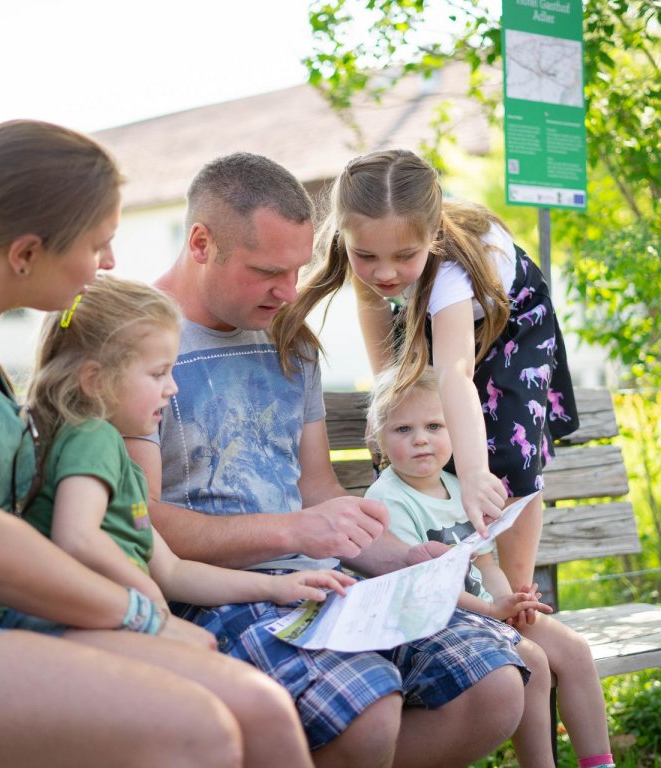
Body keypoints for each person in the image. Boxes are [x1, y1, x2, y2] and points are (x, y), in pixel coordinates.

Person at [0, 120, 316, 768]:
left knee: (260, 709)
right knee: (194, 729)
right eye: (99, 243)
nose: (110, 264)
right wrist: (141, 613)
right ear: (26, 253)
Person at [127, 151, 531, 768]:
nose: (289, 294)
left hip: (324, 583)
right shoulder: (138, 346)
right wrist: (290, 531)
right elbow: (142, 525)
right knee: (368, 714)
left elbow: (318, 492)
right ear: (202, 244)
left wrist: (399, 558)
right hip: (214, 592)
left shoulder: (290, 340)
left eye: (296, 271)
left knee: (495, 689)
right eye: (267, 272)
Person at [273, 148, 580, 617]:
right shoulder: (372, 253)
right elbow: (373, 308)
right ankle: (430, 577)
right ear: (345, 235)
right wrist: (391, 394)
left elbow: (456, 374)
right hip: (431, 317)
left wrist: (477, 474)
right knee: (412, 425)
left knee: (511, 450)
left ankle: (516, 600)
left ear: (432, 236)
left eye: (403, 256)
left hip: (512, 318)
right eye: (366, 256)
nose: (384, 272)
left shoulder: (451, 268)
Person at [23, 272, 354, 668]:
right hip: (84, 629)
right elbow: (77, 537)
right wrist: (152, 610)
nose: (173, 387)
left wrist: (277, 586)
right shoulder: (90, 439)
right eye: (158, 373)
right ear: (95, 380)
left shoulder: (113, 454)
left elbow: (174, 572)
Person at [365, 365, 615, 768]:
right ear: (378, 438)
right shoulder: (387, 500)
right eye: (402, 430)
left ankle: (600, 763)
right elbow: (422, 587)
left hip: (486, 611)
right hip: (438, 623)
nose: (421, 440)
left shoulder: (461, 486)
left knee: (574, 650)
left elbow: (483, 559)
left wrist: (507, 601)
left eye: (434, 425)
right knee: (529, 659)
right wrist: (493, 612)